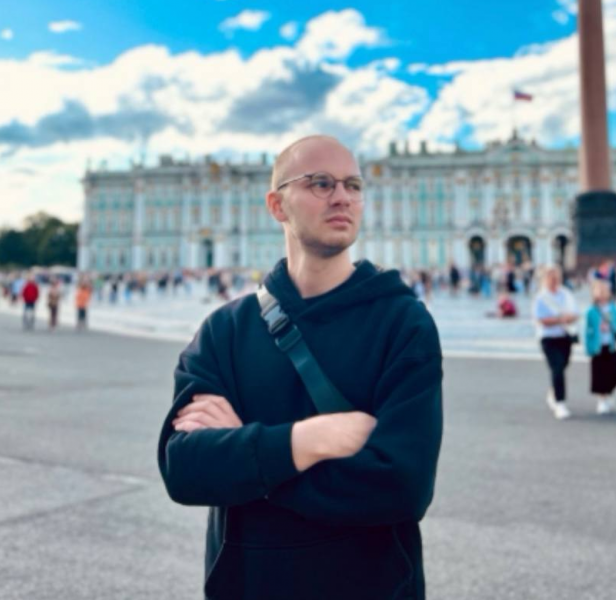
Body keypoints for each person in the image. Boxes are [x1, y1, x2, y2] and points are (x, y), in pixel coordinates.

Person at [157, 135, 443, 600]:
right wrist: (309, 440)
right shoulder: (225, 330)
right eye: (321, 183)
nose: (342, 197)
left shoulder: (403, 323)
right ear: (277, 205)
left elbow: (403, 487)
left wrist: (248, 456)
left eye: (353, 185)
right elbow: (184, 469)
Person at [533, 265, 578, 420]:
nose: (553, 280)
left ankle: (554, 390)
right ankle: (560, 403)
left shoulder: (566, 294)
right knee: (557, 368)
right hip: (548, 338)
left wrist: (564, 319)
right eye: (550, 277)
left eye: (556, 277)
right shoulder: (541, 297)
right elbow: (541, 320)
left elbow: (575, 314)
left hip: (565, 336)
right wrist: (560, 319)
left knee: (563, 365)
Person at [583, 279, 616, 415]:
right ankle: (602, 399)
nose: (602, 293)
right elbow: (586, 331)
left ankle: (609, 392)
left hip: (611, 345)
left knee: (613, 373)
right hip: (598, 347)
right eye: (599, 290)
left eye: (604, 290)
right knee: (599, 374)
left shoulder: (613, 309)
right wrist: (588, 347)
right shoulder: (591, 311)